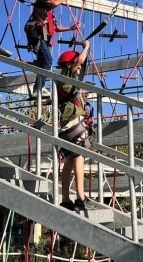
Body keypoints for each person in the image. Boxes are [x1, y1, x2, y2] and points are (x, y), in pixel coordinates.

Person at [56, 40, 91, 211]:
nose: (79, 70)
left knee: (69, 160)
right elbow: (80, 61)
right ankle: (80, 198)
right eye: (76, 67)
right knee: (79, 157)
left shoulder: (64, 81)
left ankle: (65, 199)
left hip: (66, 125)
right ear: (70, 64)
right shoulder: (65, 76)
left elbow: (81, 65)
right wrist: (86, 47)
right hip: (73, 123)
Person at [24, 0, 79, 95]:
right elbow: (54, 3)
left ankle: (37, 89)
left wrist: (71, 28)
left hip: (42, 38)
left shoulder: (48, 13)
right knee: (48, 60)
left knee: (44, 63)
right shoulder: (41, 1)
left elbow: (55, 28)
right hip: (37, 35)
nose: (58, 3)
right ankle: (39, 89)